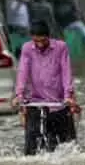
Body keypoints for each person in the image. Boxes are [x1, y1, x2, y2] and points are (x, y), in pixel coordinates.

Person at [12, 20, 78, 155]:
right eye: (36, 41)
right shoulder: (27, 48)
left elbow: (66, 72)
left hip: (59, 103)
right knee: (32, 149)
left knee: (67, 148)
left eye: (43, 41)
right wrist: (19, 95)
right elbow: (23, 72)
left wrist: (68, 95)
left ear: (49, 37)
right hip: (36, 103)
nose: (40, 44)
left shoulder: (61, 47)